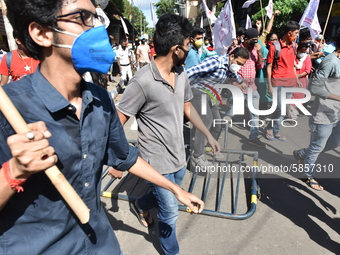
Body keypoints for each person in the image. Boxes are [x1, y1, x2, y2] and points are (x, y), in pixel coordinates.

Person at [0, 1, 204, 254]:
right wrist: (14, 172)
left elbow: (125, 157)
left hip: (100, 244)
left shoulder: (100, 99)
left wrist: (176, 190)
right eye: (82, 17)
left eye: (97, 18)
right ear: (41, 33)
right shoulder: (9, 108)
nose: (99, 30)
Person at [116, 14, 219, 255]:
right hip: (155, 161)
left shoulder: (181, 73)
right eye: (188, 44)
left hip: (178, 157)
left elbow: (187, 107)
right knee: (170, 212)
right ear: (176, 49)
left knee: (166, 195)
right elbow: (116, 122)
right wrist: (117, 158)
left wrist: (207, 134)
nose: (191, 47)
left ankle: (141, 204)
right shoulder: (142, 82)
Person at [187, 47, 249, 166]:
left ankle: (211, 148)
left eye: (242, 64)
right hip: (198, 91)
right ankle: (197, 155)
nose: (239, 66)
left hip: (211, 96)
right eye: (239, 63)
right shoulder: (215, 62)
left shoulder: (229, 67)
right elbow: (192, 70)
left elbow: (234, 75)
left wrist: (241, 82)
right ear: (231, 57)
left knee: (218, 124)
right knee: (206, 119)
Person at [293, 32, 340, 191]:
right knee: (318, 145)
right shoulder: (330, 61)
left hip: (336, 113)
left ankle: (302, 153)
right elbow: (314, 88)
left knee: (334, 142)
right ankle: (307, 174)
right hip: (323, 112)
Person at [228, 28, 266, 148]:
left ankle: (253, 137)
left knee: (255, 114)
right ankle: (216, 135)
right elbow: (228, 70)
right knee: (230, 114)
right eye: (253, 40)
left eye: (257, 40)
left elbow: (260, 66)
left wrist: (259, 53)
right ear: (246, 39)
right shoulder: (236, 51)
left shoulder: (255, 51)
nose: (255, 42)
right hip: (238, 89)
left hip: (252, 89)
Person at [265, 21, 300, 142]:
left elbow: (294, 65)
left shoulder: (294, 46)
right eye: (295, 33)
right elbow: (269, 66)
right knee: (279, 107)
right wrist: (269, 85)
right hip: (278, 81)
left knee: (283, 109)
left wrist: (296, 78)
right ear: (289, 33)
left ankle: (276, 130)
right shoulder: (275, 47)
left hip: (290, 82)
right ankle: (269, 127)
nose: (296, 35)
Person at [287, 42, 312, 120]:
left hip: (302, 81)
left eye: (304, 52)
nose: (303, 53)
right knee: (290, 98)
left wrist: (298, 76)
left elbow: (307, 70)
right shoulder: (293, 57)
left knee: (298, 98)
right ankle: (292, 116)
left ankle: (293, 114)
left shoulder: (307, 58)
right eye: (301, 51)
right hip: (292, 79)